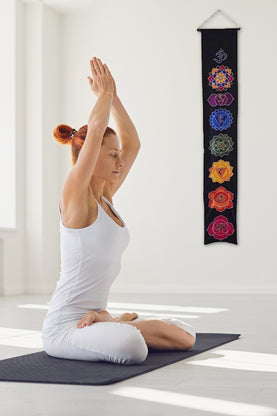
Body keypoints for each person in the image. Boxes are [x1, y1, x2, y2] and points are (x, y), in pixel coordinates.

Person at [41, 57, 195, 365]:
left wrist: (116, 97)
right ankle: (115, 326)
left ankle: (109, 321)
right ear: (89, 156)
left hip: (93, 319)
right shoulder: (75, 196)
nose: (120, 162)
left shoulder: (106, 196)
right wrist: (104, 95)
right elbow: (96, 129)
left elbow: (133, 144)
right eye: (112, 156)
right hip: (65, 328)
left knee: (185, 335)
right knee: (132, 347)